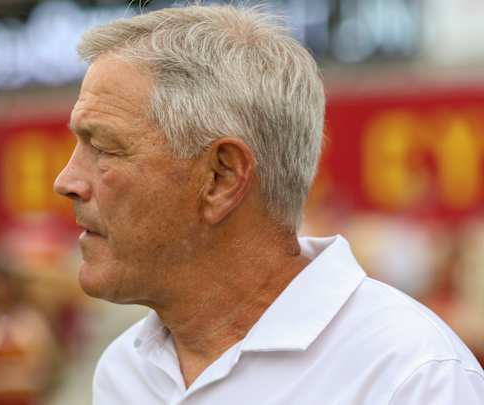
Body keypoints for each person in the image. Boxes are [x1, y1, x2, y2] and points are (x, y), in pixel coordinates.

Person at [53, 4, 484, 404]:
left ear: (221, 177)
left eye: (104, 148)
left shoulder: (409, 376)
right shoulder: (126, 370)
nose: (66, 181)